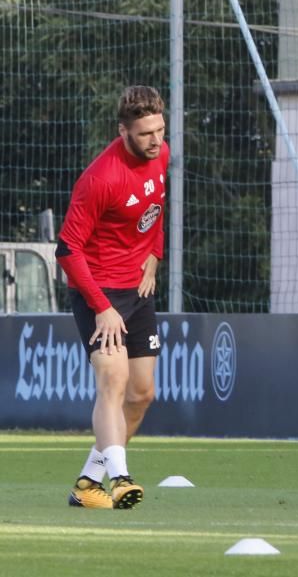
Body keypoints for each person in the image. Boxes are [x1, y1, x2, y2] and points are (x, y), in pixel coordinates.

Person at [58, 85, 169, 509]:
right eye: (144, 134)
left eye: (159, 130)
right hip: (97, 291)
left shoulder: (162, 154)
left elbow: (157, 207)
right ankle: (120, 478)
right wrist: (102, 307)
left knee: (141, 395)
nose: (155, 140)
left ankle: (88, 483)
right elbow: (67, 249)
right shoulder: (101, 178)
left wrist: (155, 255)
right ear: (123, 131)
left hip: (137, 291)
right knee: (114, 381)